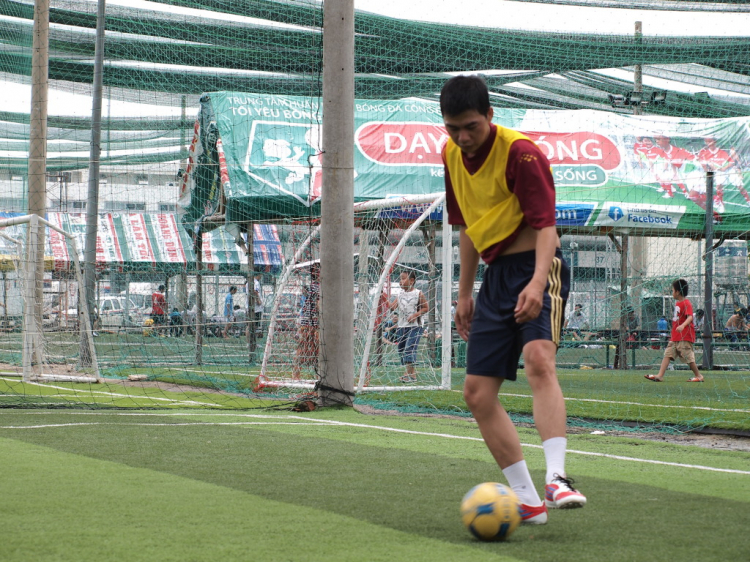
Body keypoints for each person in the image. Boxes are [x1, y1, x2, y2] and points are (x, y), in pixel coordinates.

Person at [440, 75, 586, 526]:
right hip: (496, 277)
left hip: (539, 267)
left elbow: (546, 226)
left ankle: (558, 477)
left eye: (471, 126)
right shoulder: (450, 155)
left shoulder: (522, 153)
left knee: (538, 358)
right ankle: (527, 500)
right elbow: (465, 226)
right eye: (453, 128)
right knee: (477, 393)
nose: (463, 137)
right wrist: (464, 294)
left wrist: (539, 284)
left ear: (490, 116)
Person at [645, 279, 704, 382]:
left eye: (672, 290)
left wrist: (682, 326)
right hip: (675, 336)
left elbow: (690, 317)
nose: (672, 292)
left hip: (684, 336)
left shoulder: (686, 303)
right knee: (668, 354)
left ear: (677, 291)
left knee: (688, 357)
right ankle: (660, 375)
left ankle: (699, 376)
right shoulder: (677, 304)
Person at [389, 271, 428, 383]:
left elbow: (426, 308)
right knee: (401, 349)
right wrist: (384, 299)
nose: (400, 281)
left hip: (415, 326)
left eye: (403, 278)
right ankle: (413, 375)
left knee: (409, 349)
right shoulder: (400, 294)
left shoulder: (418, 293)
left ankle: (408, 375)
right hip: (402, 326)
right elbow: (392, 307)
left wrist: (415, 315)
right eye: (400, 279)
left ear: (411, 280)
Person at [292, 263, 320, 379]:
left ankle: (297, 373)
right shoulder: (317, 287)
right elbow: (319, 305)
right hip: (311, 323)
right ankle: (296, 373)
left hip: (309, 322)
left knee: (311, 348)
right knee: (308, 348)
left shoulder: (314, 286)